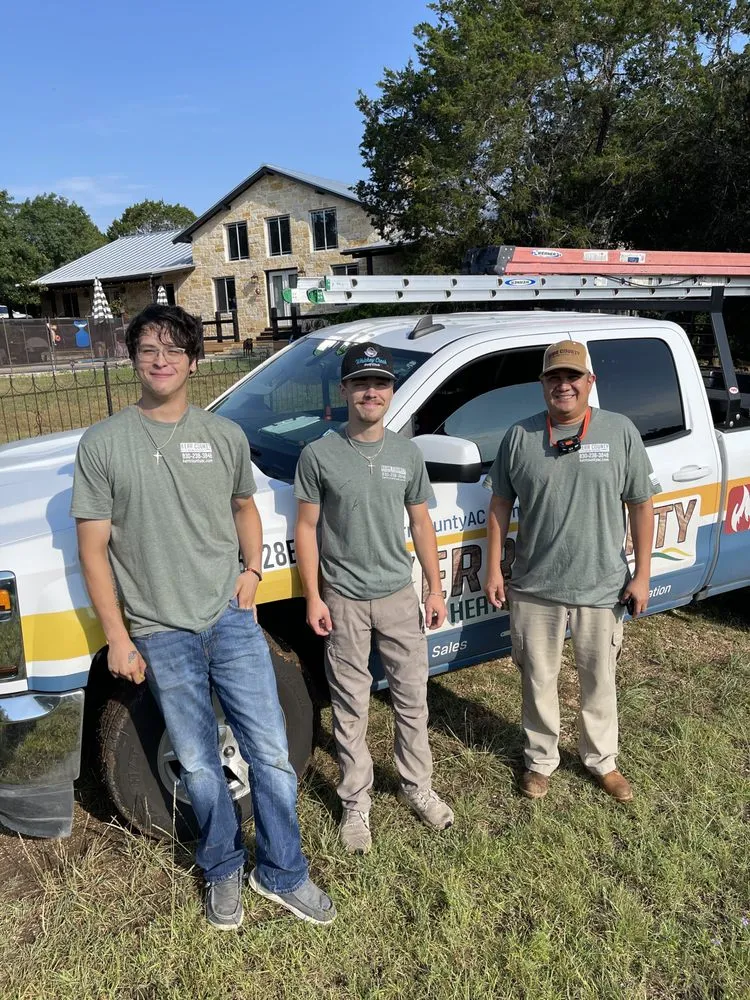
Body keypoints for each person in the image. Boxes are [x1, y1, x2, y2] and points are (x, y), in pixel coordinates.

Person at [71, 304, 335, 930]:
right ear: (133, 359)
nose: (160, 359)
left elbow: (247, 506)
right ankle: (222, 870)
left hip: (230, 620)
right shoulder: (104, 444)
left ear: (193, 360)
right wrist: (117, 637)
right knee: (197, 763)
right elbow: (92, 548)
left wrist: (251, 572)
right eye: (148, 349)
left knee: (270, 751)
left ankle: (283, 872)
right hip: (160, 633)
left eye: (172, 348)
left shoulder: (222, 437)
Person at [294, 342, 454, 855]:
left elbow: (422, 523)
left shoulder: (407, 454)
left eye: (380, 384)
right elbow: (307, 528)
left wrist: (434, 587)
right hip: (342, 599)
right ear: (344, 391)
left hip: (398, 596)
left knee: (412, 698)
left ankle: (417, 788)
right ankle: (356, 804)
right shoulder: (319, 455)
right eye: (361, 383)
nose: (371, 392)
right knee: (350, 704)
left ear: (391, 392)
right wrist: (314, 597)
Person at [484, 340, 655, 803]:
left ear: (589, 382)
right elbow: (500, 502)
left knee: (599, 677)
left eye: (572, 377)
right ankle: (540, 760)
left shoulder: (619, 431)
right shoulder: (520, 437)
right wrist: (494, 566)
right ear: (542, 385)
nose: (564, 385)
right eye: (553, 378)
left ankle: (602, 760)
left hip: (602, 584)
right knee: (537, 677)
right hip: (535, 584)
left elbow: (641, 505)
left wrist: (642, 575)